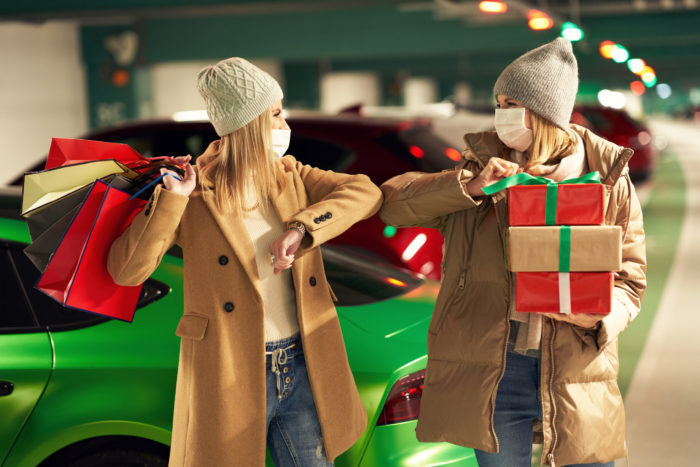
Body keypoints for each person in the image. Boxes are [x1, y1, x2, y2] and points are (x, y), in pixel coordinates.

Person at [378, 38, 646, 467]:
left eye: (510, 103)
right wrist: (468, 187)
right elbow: (394, 202)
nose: (500, 114)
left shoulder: (609, 179)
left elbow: (631, 279)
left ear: (542, 113)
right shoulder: (484, 170)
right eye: (498, 102)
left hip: (577, 364)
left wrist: (597, 316)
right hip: (498, 367)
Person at [108, 57, 382, 466]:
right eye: (275, 113)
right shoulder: (194, 193)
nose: (284, 124)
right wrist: (172, 201)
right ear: (249, 123)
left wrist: (302, 228)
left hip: (300, 363)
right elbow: (127, 272)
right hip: (229, 371)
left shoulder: (290, 175)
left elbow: (365, 192)